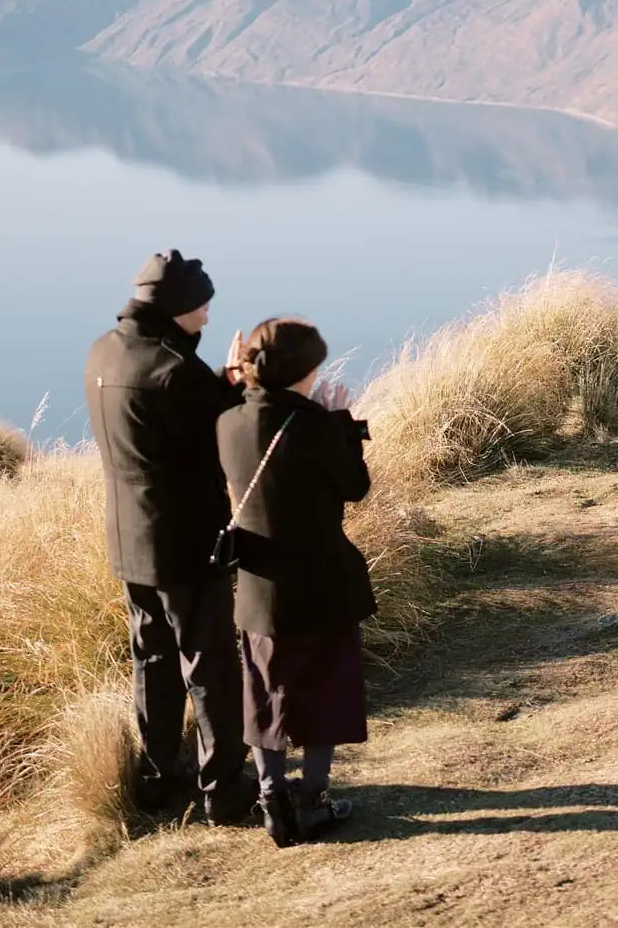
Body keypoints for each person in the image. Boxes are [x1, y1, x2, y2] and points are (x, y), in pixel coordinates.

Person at [85, 249, 252, 822]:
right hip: (185, 546)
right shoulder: (174, 372)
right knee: (209, 668)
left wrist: (219, 384)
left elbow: (166, 432)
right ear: (180, 308)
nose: (207, 318)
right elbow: (223, 442)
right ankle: (225, 791)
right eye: (202, 307)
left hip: (129, 541)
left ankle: (159, 780)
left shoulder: (104, 352)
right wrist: (239, 388)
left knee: (152, 661)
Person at [218, 317, 376, 847]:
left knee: (263, 692)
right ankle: (312, 802)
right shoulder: (319, 425)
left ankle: (272, 801)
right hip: (323, 586)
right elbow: (355, 488)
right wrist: (341, 421)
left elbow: (247, 414)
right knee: (325, 691)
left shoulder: (227, 423)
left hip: (260, 589)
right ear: (306, 371)